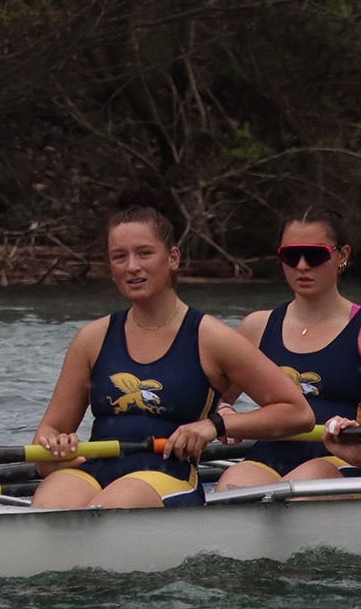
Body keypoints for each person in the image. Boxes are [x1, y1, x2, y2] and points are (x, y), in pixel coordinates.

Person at [31, 204, 313, 508]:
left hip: (170, 476)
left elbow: (298, 413)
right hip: (94, 470)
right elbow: (48, 433)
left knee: (115, 503)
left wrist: (214, 425)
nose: (132, 267)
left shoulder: (212, 338)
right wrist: (55, 446)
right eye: (119, 257)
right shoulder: (92, 338)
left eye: (144, 253)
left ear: (173, 258)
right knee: (51, 503)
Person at [214, 208, 361, 488]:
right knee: (232, 483)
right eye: (291, 255)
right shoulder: (256, 327)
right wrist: (222, 413)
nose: (302, 265)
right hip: (269, 457)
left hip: (344, 460)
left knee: (305, 481)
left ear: (343, 255)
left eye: (315, 255)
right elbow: (203, 400)